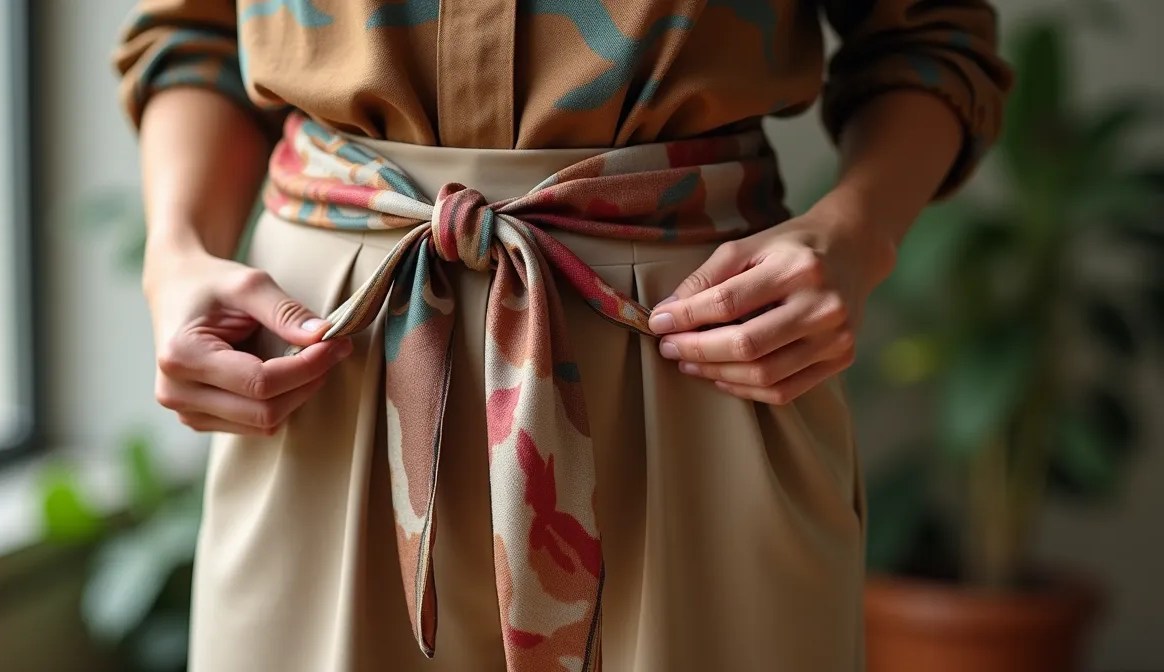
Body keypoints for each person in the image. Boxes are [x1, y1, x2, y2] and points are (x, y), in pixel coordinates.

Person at [115, 1, 1010, 670]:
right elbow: (194, 35)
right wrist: (177, 255)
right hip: (329, 358)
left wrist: (855, 233)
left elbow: (926, 40)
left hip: (692, 357)